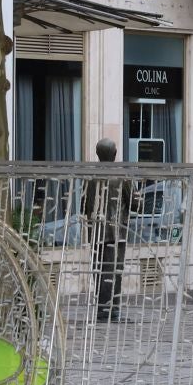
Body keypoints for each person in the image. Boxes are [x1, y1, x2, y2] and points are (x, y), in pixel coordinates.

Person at [86, 138, 133, 323]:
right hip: (116, 233)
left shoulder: (90, 177)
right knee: (114, 272)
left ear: (98, 154)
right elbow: (135, 202)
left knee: (99, 271)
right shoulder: (122, 176)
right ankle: (111, 312)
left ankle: (102, 310)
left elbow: (84, 205)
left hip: (96, 232)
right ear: (114, 154)